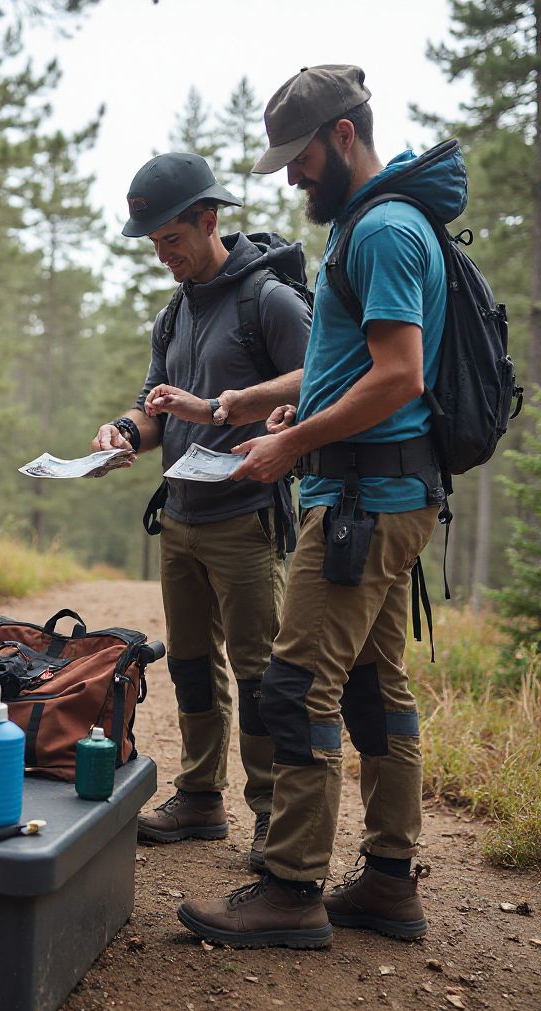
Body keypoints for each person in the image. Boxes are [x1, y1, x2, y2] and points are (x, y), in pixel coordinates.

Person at [177, 64, 449, 949]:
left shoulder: (381, 231)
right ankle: (388, 880)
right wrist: (255, 408)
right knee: (375, 690)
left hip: (361, 504)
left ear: (342, 136)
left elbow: (402, 373)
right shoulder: (386, 225)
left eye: (299, 157)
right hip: (381, 490)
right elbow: (359, 366)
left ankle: (292, 887)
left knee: (296, 688)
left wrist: (294, 445)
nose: (292, 176)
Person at [92, 153, 311, 872]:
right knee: (189, 664)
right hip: (180, 516)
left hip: (246, 517)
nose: (164, 257)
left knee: (257, 673)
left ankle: (273, 816)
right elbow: (153, 403)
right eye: (153, 245)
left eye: (171, 241)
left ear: (208, 220)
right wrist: (124, 431)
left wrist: (264, 426)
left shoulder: (267, 300)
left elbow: (325, 380)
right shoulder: (176, 309)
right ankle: (200, 797)